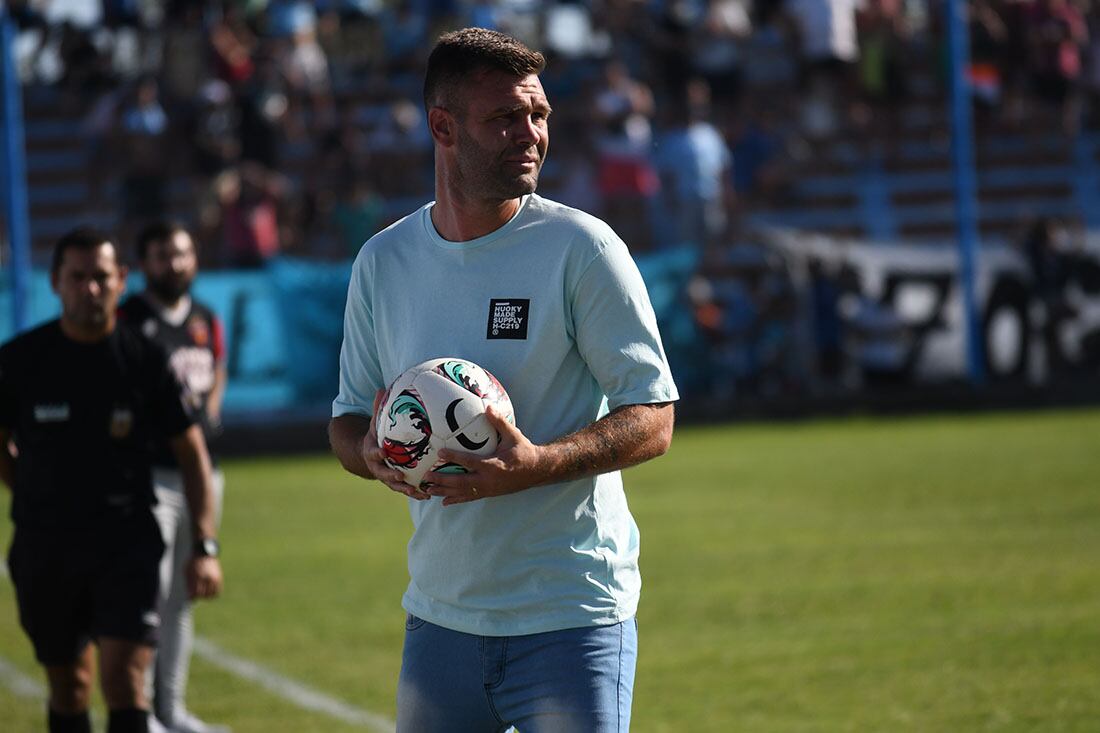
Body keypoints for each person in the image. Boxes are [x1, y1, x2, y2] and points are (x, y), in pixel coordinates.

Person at [328, 28, 678, 732]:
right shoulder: (383, 261)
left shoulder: (583, 248)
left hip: (571, 618)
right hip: (440, 617)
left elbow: (654, 416)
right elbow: (345, 419)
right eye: (505, 119)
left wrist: (537, 464)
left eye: (539, 114)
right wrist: (369, 453)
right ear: (442, 126)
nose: (530, 134)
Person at [0, 228, 224, 733]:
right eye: (77, 277)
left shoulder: (145, 362)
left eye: (102, 277)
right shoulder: (21, 362)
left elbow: (193, 455)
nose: (90, 289)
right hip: (45, 549)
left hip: (126, 544)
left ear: (122, 280)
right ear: (56, 282)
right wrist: (30, 491)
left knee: (124, 681)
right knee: (70, 688)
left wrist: (205, 544)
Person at [118, 223, 230, 733]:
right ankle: (138, 711)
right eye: (163, 255)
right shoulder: (128, 320)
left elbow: (217, 368)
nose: (174, 264)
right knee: (147, 595)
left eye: (182, 254)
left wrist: (207, 417)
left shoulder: (205, 318)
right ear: (144, 263)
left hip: (201, 473)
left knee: (183, 595)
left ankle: (171, 708)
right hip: (149, 475)